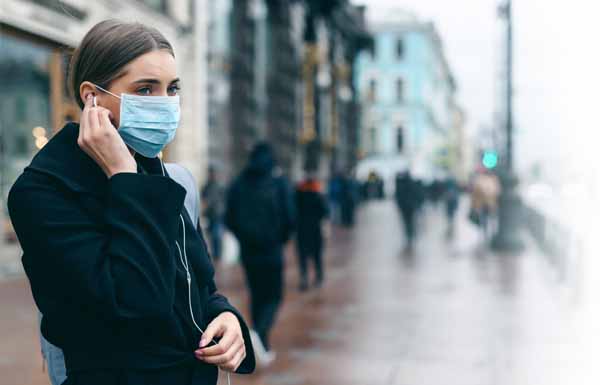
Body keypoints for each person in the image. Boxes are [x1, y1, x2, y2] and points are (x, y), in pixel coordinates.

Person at [8, 20, 254, 385]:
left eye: (172, 89)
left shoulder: (162, 174)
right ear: (92, 96)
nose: (166, 104)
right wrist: (124, 176)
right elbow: (137, 301)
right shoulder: (43, 193)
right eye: (145, 89)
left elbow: (197, 284)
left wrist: (227, 317)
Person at [225, 142, 295, 367]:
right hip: (272, 249)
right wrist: (281, 238)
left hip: (249, 251)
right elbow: (290, 216)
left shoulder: (239, 183)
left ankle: (261, 341)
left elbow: (229, 217)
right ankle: (259, 332)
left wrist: (243, 237)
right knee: (274, 295)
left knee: (256, 294)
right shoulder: (277, 182)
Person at [294, 171, 329, 291]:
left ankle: (304, 277)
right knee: (317, 255)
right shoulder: (318, 194)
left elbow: (293, 211)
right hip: (315, 229)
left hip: (301, 229)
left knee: (303, 256)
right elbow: (325, 212)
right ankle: (319, 276)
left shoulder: (298, 193)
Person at [202, 165, 226, 261]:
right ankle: (216, 255)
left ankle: (218, 255)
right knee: (212, 235)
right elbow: (204, 200)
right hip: (210, 215)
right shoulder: (206, 187)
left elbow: (223, 200)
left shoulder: (219, 186)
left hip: (218, 215)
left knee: (217, 235)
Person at [395, 171, 420, 254]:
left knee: (407, 223)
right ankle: (410, 236)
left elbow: (398, 197)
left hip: (406, 208)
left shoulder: (400, 184)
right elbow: (416, 194)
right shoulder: (411, 184)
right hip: (409, 207)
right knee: (410, 223)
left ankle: (409, 237)